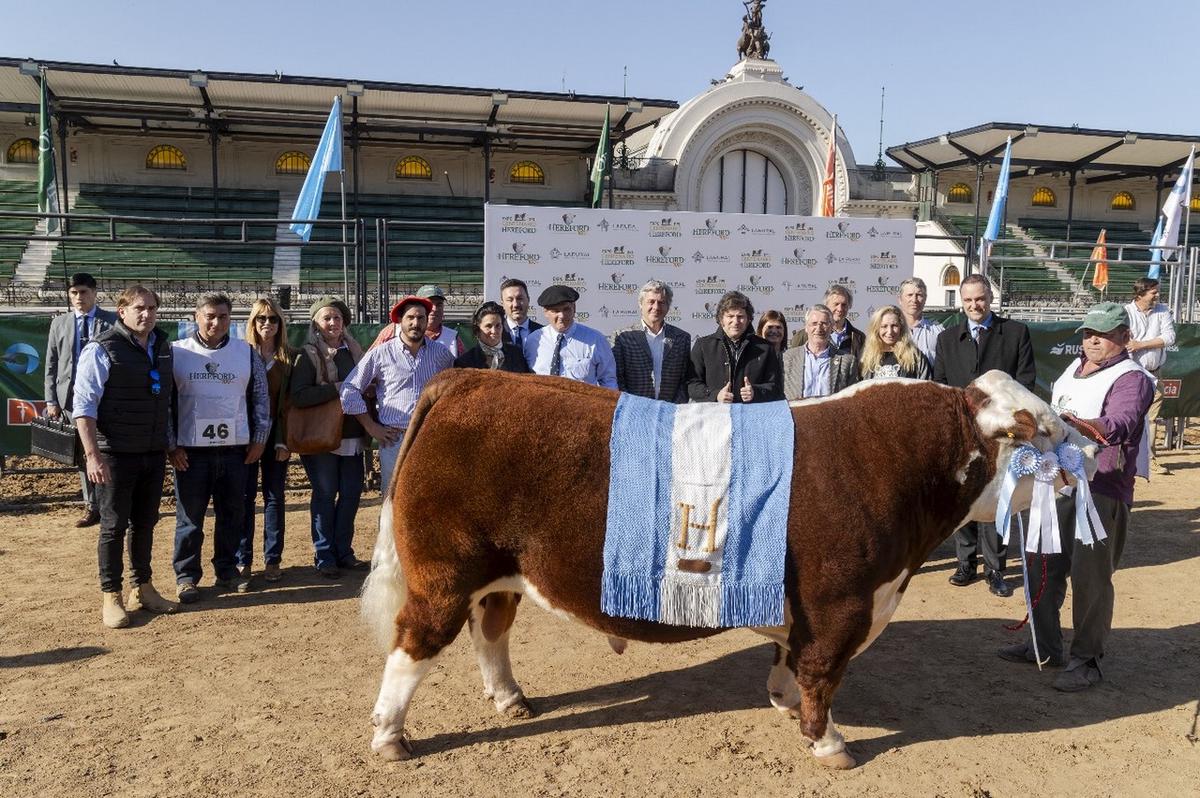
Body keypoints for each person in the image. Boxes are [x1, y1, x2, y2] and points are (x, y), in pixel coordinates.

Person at [999, 302, 1154, 692]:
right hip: (1058, 481)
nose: (1091, 340)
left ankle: (1087, 660)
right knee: (1040, 563)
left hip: (1102, 488)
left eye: (1101, 334)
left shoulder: (1133, 378)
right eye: (1087, 333)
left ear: (1123, 337)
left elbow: (1120, 423)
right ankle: (1045, 644)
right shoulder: (1074, 369)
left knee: (1091, 578)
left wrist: (1067, 423)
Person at [73, 284, 178, 628]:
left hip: (151, 450)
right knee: (113, 525)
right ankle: (111, 595)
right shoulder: (101, 348)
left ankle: (142, 588)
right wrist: (92, 456)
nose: (146, 314)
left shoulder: (162, 346)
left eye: (151, 308)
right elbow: (84, 408)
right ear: (122, 311)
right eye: (138, 308)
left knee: (146, 523)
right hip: (114, 453)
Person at [934, 274, 1036, 597]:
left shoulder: (1017, 333)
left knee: (997, 503)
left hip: (1001, 436)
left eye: (980, 299)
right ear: (961, 302)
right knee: (964, 500)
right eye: (968, 300)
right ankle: (965, 563)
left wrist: (1002, 422)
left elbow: (1025, 383)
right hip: (962, 436)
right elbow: (942, 386)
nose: (974, 305)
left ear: (990, 297)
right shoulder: (947, 339)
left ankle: (996, 570)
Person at [169, 293, 270, 603]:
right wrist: (171, 445)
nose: (216, 322)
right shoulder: (176, 352)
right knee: (190, 518)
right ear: (197, 317)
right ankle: (186, 577)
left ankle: (226, 571)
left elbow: (261, 398)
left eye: (223, 317)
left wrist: (260, 439)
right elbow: (164, 403)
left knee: (232, 513)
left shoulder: (246, 352)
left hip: (236, 450)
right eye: (210, 316)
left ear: (231, 319)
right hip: (191, 452)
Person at [341, 294, 456, 495]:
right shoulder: (380, 353)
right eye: (410, 317)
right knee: (392, 501)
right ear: (399, 321)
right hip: (394, 438)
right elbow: (349, 390)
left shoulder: (441, 354)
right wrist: (372, 427)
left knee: (428, 500)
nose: (415, 323)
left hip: (429, 437)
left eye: (421, 318)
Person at [291, 296, 368, 579]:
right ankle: (324, 555)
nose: (333, 323)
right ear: (316, 324)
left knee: (350, 495)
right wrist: (337, 387)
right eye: (327, 318)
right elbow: (298, 396)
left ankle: (343, 551)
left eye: (337, 318)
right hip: (321, 436)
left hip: (352, 434)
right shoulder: (307, 355)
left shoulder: (354, 352)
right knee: (325, 494)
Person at [44, 272, 117, 528]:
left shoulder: (111, 320)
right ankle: (91, 505)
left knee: (107, 451)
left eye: (83, 292)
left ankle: (111, 503)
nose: (78, 297)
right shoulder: (59, 323)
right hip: (71, 400)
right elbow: (51, 364)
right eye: (73, 293)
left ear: (95, 293)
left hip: (105, 397)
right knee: (84, 454)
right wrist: (51, 400)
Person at [237, 297, 293, 585]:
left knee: (274, 498)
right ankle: (242, 561)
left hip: (276, 438)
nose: (267, 324)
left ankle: (273, 560)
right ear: (252, 322)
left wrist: (284, 441)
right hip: (244, 437)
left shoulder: (290, 358)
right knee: (244, 498)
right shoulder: (240, 354)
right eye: (261, 319)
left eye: (273, 319)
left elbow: (290, 406)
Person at [688, 290, 783, 403]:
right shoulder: (703, 346)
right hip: (714, 415)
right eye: (730, 316)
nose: (735, 321)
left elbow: (776, 387)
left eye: (740, 316)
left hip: (752, 415)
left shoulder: (765, 348)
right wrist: (716, 395)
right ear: (721, 319)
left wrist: (756, 392)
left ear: (748, 320)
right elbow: (692, 385)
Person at [1123, 277, 1176, 475]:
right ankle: (1126, 457)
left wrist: (1141, 344)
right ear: (1140, 294)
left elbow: (1170, 338)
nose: (1157, 295)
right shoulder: (1126, 312)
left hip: (1155, 373)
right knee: (1130, 417)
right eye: (1153, 292)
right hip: (1131, 374)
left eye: (1157, 291)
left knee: (1152, 419)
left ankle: (1150, 459)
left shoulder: (1162, 310)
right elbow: (1124, 341)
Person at [612, 279, 691, 402]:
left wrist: (675, 407)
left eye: (661, 302)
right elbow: (617, 379)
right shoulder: (622, 337)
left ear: (668, 307)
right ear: (640, 304)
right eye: (651, 302)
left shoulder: (682, 338)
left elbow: (685, 380)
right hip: (634, 410)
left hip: (670, 411)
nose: (656, 307)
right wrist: (630, 405)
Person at [523, 285, 618, 388]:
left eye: (566, 309)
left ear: (574, 308)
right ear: (546, 312)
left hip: (583, 403)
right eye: (555, 311)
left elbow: (608, 381)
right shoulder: (533, 341)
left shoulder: (596, 340)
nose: (562, 316)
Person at [782, 305, 859, 400]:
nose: (819, 328)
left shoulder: (847, 361)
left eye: (824, 323)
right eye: (814, 323)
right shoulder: (787, 358)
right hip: (795, 413)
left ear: (831, 328)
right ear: (806, 327)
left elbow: (852, 399)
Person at [369, 283, 465, 356]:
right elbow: (371, 359)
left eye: (439, 304)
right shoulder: (392, 331)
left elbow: (464, 371)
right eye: (430, 304)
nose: (435, 309)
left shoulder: (453, 338)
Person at [789, 285, 864, 361]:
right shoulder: (803, 336)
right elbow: (793, 363)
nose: (840, 309)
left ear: (849, 306)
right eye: (836, 304)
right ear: (826, 305)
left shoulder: (858, 338)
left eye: (844, 305)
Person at [454, 301, 531, 372]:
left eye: (498, 326)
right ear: (477, 329)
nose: (494, 331)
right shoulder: (464, 362)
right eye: (488, 326)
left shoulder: (516, 354)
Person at [859, 305, 932, 380]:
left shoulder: (916, 357)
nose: (890, 332)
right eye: (884, 326)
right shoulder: (865, 358)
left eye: (894, 326)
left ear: (901, 327)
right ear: (876, 329)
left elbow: (926, 387)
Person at [898, 277, 944, 368]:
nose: (914, 300)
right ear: (899, 299)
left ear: (925, 299)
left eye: (919, 295)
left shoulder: (938, 332)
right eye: (909, 295)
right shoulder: (889, 332)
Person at [499, 277, 542, 348]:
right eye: (510, 300)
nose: (516, 304)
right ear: (502, 304)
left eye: (520, 298)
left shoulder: (543, 333)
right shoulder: (496, 333)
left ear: (528, 300)